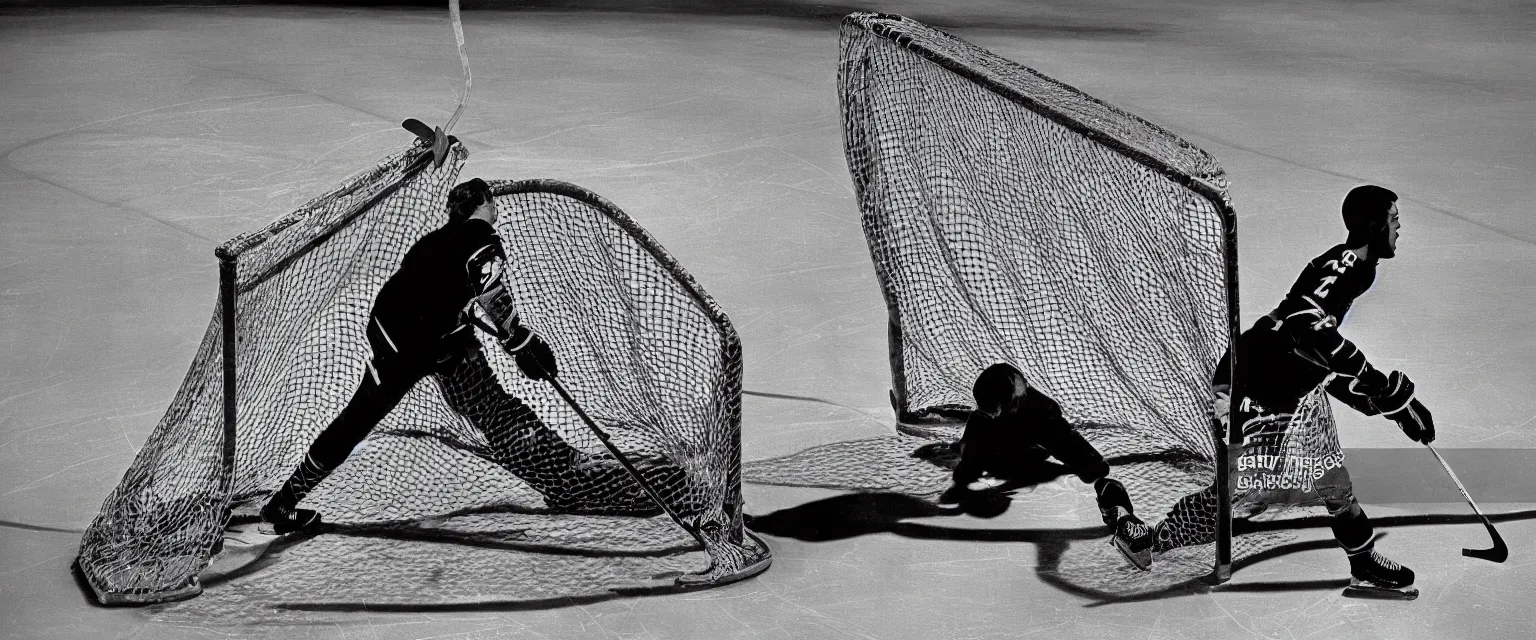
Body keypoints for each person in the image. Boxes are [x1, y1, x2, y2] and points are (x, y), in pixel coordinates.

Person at [260, 178, 685, 534]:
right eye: (492, 203)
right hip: (413, 343)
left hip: (399, 332)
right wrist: (519, 341)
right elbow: (489, 287)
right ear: (486, 203)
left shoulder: (435, 240)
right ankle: (563, 476)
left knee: (364, 419)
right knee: (491, 409)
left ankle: (283, 503)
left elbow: (433, 291)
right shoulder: (481, 236)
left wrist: (473, 331)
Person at [1140, 185, 1432, 599]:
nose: (1399, 225)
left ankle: (1363, 563)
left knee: (1332, 475)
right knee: (1243, 482)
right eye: (1393, 217)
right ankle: (1153, 540)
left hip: (1289, 381)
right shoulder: (1347, 261)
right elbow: (1302, 320)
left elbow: (1319, 353)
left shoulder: (1361, 267)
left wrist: (1390, 403)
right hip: (1251, 379)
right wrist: (1373, 380)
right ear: (1373, 225)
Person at [924, 362, 1156, 569]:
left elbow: (1092, 466)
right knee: (972, 453)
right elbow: (970, 458)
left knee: (1093, 469)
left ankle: (1121, 515)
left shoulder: (1044, 418)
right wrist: (962, 454)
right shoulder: (984, 416)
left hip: (1027, 452)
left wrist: (1112, 499)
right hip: (1006, 452)